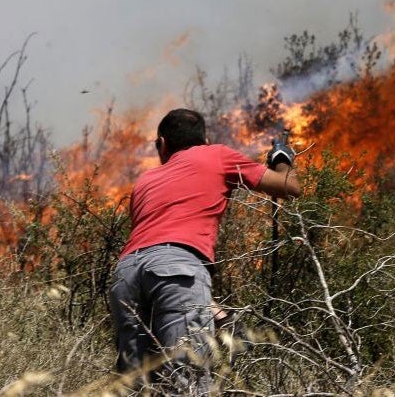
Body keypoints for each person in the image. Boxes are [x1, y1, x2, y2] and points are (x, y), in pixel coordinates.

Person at [108, 108, 300, 393]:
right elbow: (289, 187)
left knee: (135, 385)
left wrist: (214, 310)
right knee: (186, 380)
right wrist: (282, 158)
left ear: (162, 143)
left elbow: (154, 255)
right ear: (205, 139)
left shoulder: (144, 182)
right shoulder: (216, 154)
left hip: (125, 277)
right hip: (177, 269)